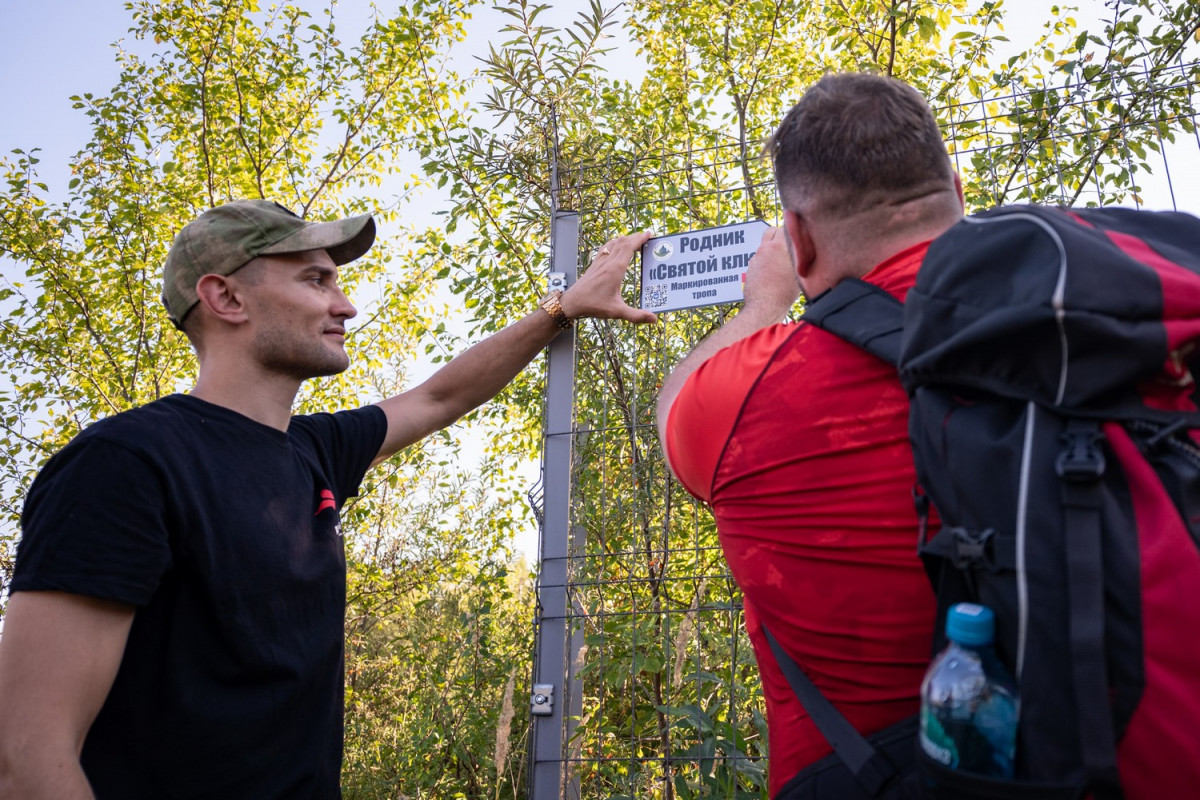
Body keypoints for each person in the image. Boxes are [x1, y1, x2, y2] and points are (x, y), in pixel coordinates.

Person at [0, 199, 657, 799]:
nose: (345, 306)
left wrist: (563, 308)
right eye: (316, 280)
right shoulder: (126, 465)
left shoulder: (311, 450)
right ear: (225, 296)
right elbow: (28, 754)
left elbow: (440, 396)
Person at [657, 72, 965, 799]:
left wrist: (765, 301)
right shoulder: (1111, 322)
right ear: (955, 185)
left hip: (866, 774)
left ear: (797, 237)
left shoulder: (741, 399)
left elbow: (672, 409)